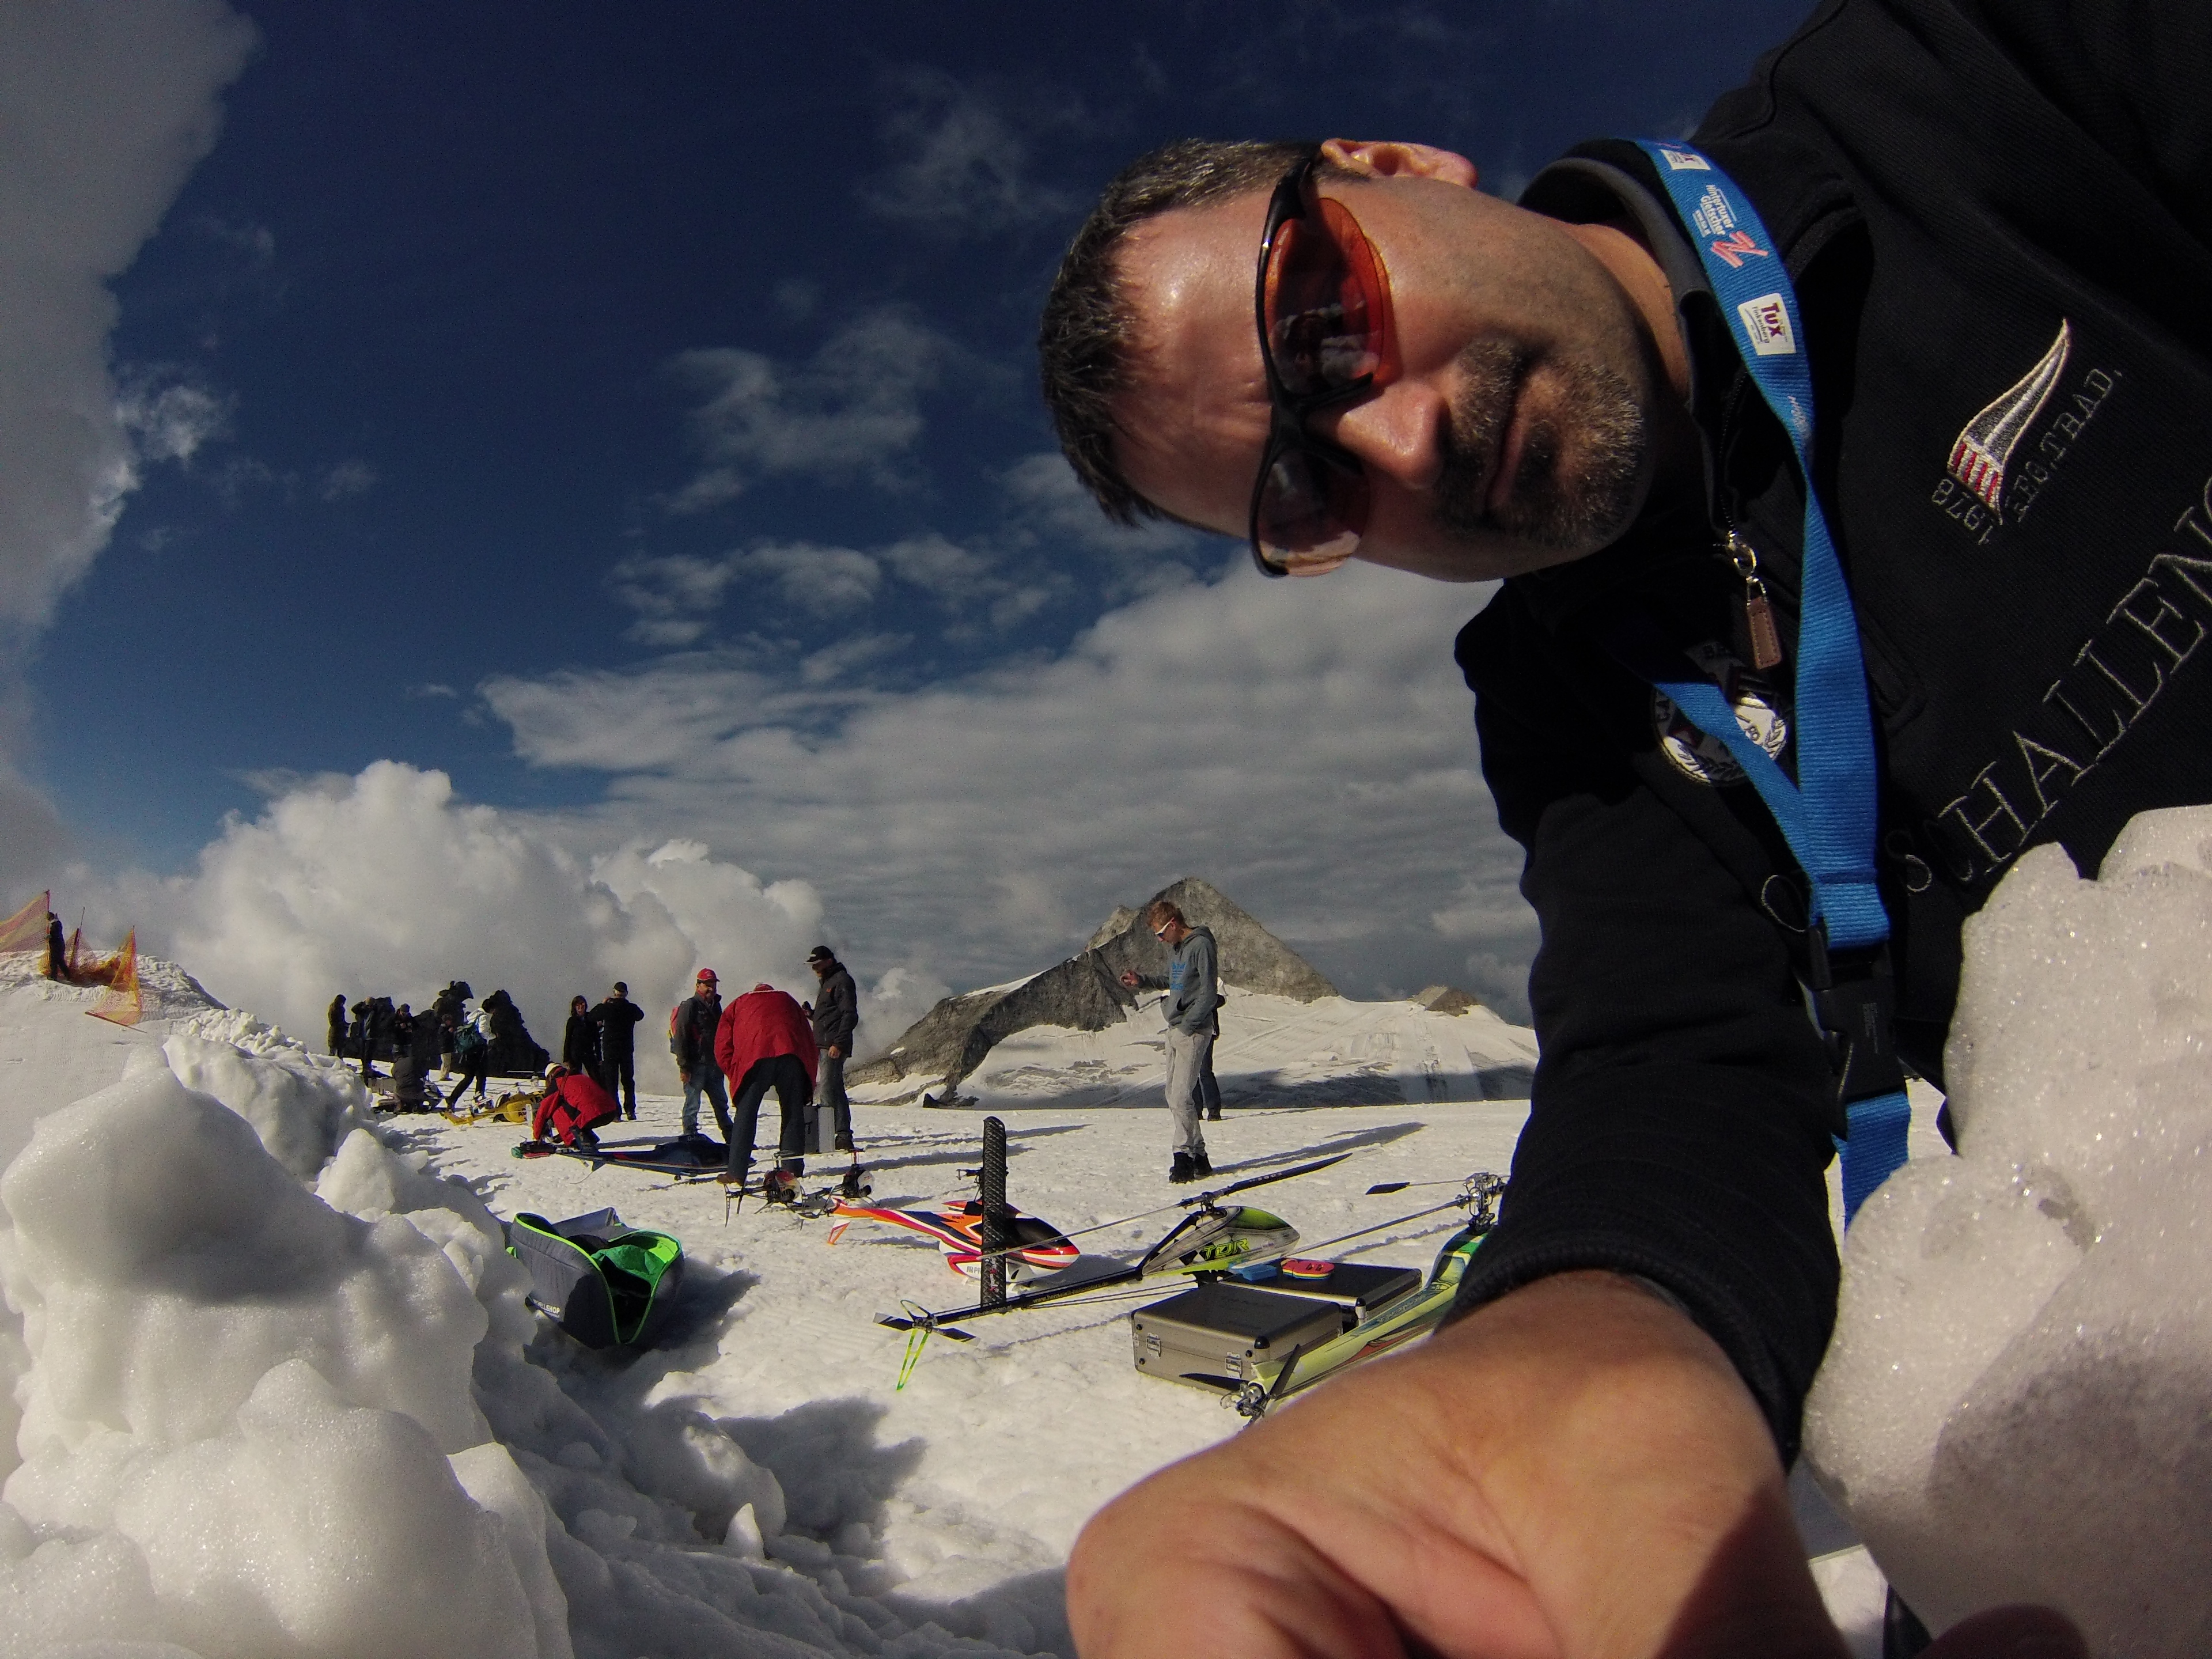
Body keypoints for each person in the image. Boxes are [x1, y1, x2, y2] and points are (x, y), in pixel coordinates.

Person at [1036, 1, 2198, 1647]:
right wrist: (1582, 1343)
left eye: (1322, 331)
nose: (1397, 437)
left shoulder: (1979, 85)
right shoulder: (1564, 694)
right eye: (1306, 489)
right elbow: (1674, 1062)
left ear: (1392, 164)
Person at [1118, 900, 1219, 1181]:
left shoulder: (1201, 946)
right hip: (1174, 1027)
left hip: (1192, 1029)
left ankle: (1183, 1156)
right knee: (1172, 1095)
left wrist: (1188, 1025)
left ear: (1173, 924)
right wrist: (1144, 981)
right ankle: (1199, 1156)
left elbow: (1209, 992)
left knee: (1181, 1095)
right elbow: (1175, 983)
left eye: (1161, 934)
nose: (1160, 940)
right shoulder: (1178, 950)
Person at [713, 981, 817, 1199]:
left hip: (755, 1060)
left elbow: (722, 1044)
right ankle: (792, 1169)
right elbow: (808, 1038)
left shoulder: (739, 1003)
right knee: (793, 1112)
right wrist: (807, 1075)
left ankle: (736, 1173)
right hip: (791, 1057)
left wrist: (734, 1072)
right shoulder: (788, 1000)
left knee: (746, 1113)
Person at [806, 945, 859, 1154]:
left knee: (828, 1090)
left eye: (817, 964)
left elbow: (850, 1015)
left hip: (833, 1045)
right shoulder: (828, 982)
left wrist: (838, 1043)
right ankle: (842, 1136)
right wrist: (812, 1015)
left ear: (828, 961)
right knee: (834, 1088)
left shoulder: (841, 981)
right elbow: (831, 1014)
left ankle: (829, 1137)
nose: (814, 969)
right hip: (826, 1043)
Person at [675, 968, 729, 1141]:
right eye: (707, 985)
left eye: (713, 984)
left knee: (721, 1103)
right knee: (692, 1104)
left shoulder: (716, 1006)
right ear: (698, 986)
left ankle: (731, 1138)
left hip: (714, 1065)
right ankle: (689, 1136)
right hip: (695, 1065)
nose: (711, 988)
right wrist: (684, 1066)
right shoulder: (689, 1006)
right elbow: (681, 1036)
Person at [531, 1063, 618, 1149]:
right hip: (611, 1111)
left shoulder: (557, 1082)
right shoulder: (580, 1076)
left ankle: (574, 1140)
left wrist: (537, 1137)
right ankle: (589, 1138)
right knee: (577, 1106)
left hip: (593, 1115)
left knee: (557, 1110)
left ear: (550, 1076)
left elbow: (543, 1112)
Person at [590, 982, 644, 1120]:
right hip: (626, 1049)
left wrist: (604, 1003)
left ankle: (615, 1112)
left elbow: (592, 1016)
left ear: (615, 992)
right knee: (628, 1080)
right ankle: (630, 1110)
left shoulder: (608, 1008)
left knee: (612, 1082)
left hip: (610, 1049)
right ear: (626, 993)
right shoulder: (631, 1008)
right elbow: (640, 1015)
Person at [448, 999, 493, 1108]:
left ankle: (453, 1098)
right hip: (478, 1050)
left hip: (468, 1051)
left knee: (469, 1077)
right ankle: (479, 1096)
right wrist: (494, 1036)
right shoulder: (485, 1016)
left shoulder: (474, 1015)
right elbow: (483, 1032)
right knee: (481, 1075)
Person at [562, 994, 600, 1078]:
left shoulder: (591, 1019)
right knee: (576, 1076)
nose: (580, 1007)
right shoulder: (572, 1021)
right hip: (576, 1053)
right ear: (574, 1007)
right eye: (578, 1005)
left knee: (596, 1076)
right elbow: (568, 1039)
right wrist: (566, 1058)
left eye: (582, 1004)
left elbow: (596, 1038)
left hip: (589, 1052)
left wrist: (599, 1056)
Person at [327, 992, 349, 1057]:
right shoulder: (333, 1009)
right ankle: (332, 1064)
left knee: (340, 1050)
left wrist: (345, 1024)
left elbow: (342, 1020)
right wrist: (342, 1025)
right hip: (335, 1032)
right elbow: (332, 1022)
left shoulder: (341, 1009)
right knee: (333, 1051)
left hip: (341, 1033)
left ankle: (340, 1064)